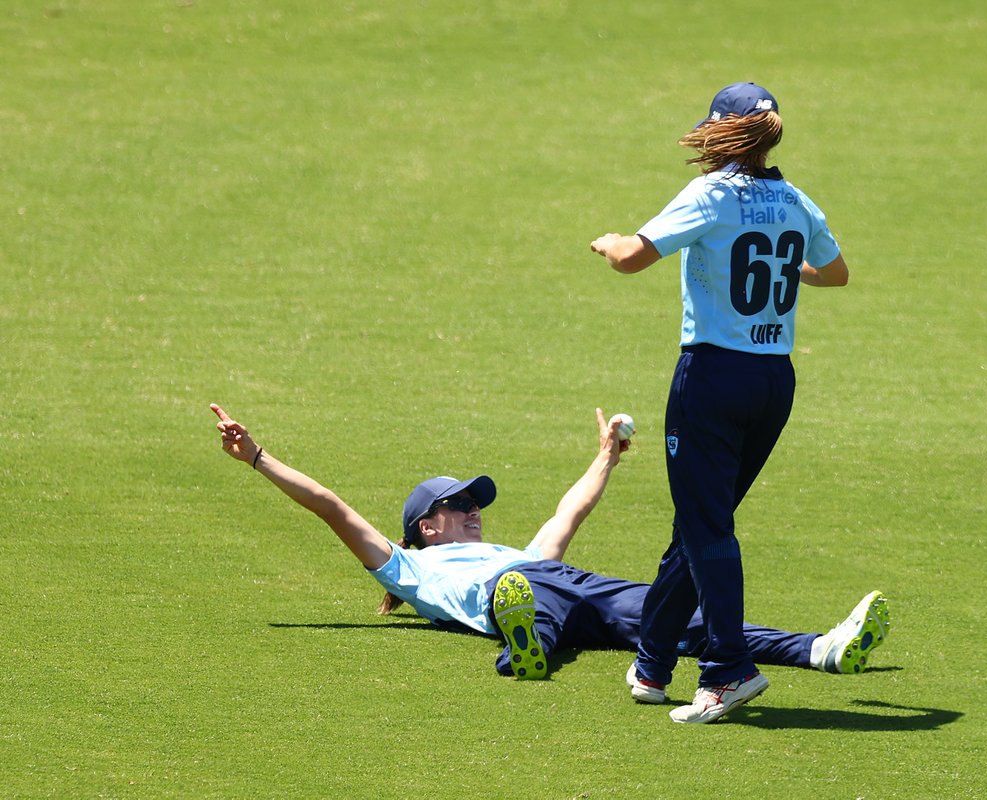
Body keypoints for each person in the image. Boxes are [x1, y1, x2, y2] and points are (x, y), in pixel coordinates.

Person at [210, 403, 889, 709]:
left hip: (560, 583)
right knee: (517, 600)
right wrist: (259, 457)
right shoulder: (407, 567)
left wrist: (605, 458)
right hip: (514, 593)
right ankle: (523, 649)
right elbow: (331, 504)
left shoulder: (512, 548)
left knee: (677, 619)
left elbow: (569, 512)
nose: (474, 509)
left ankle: (821, 649)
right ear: (425, 527)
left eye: (476, 501)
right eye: (458, 505)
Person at [590, 82, 857, 723]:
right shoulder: (795, 200)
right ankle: (653, 661)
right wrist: (783, 269)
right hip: (773, 383)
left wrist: (607, 240)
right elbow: (837, 272)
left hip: (711, 378)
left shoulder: (711, 194)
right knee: (699, 522)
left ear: (718, 133)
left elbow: (631, 258)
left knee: (708, 526)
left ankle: (729, 668)